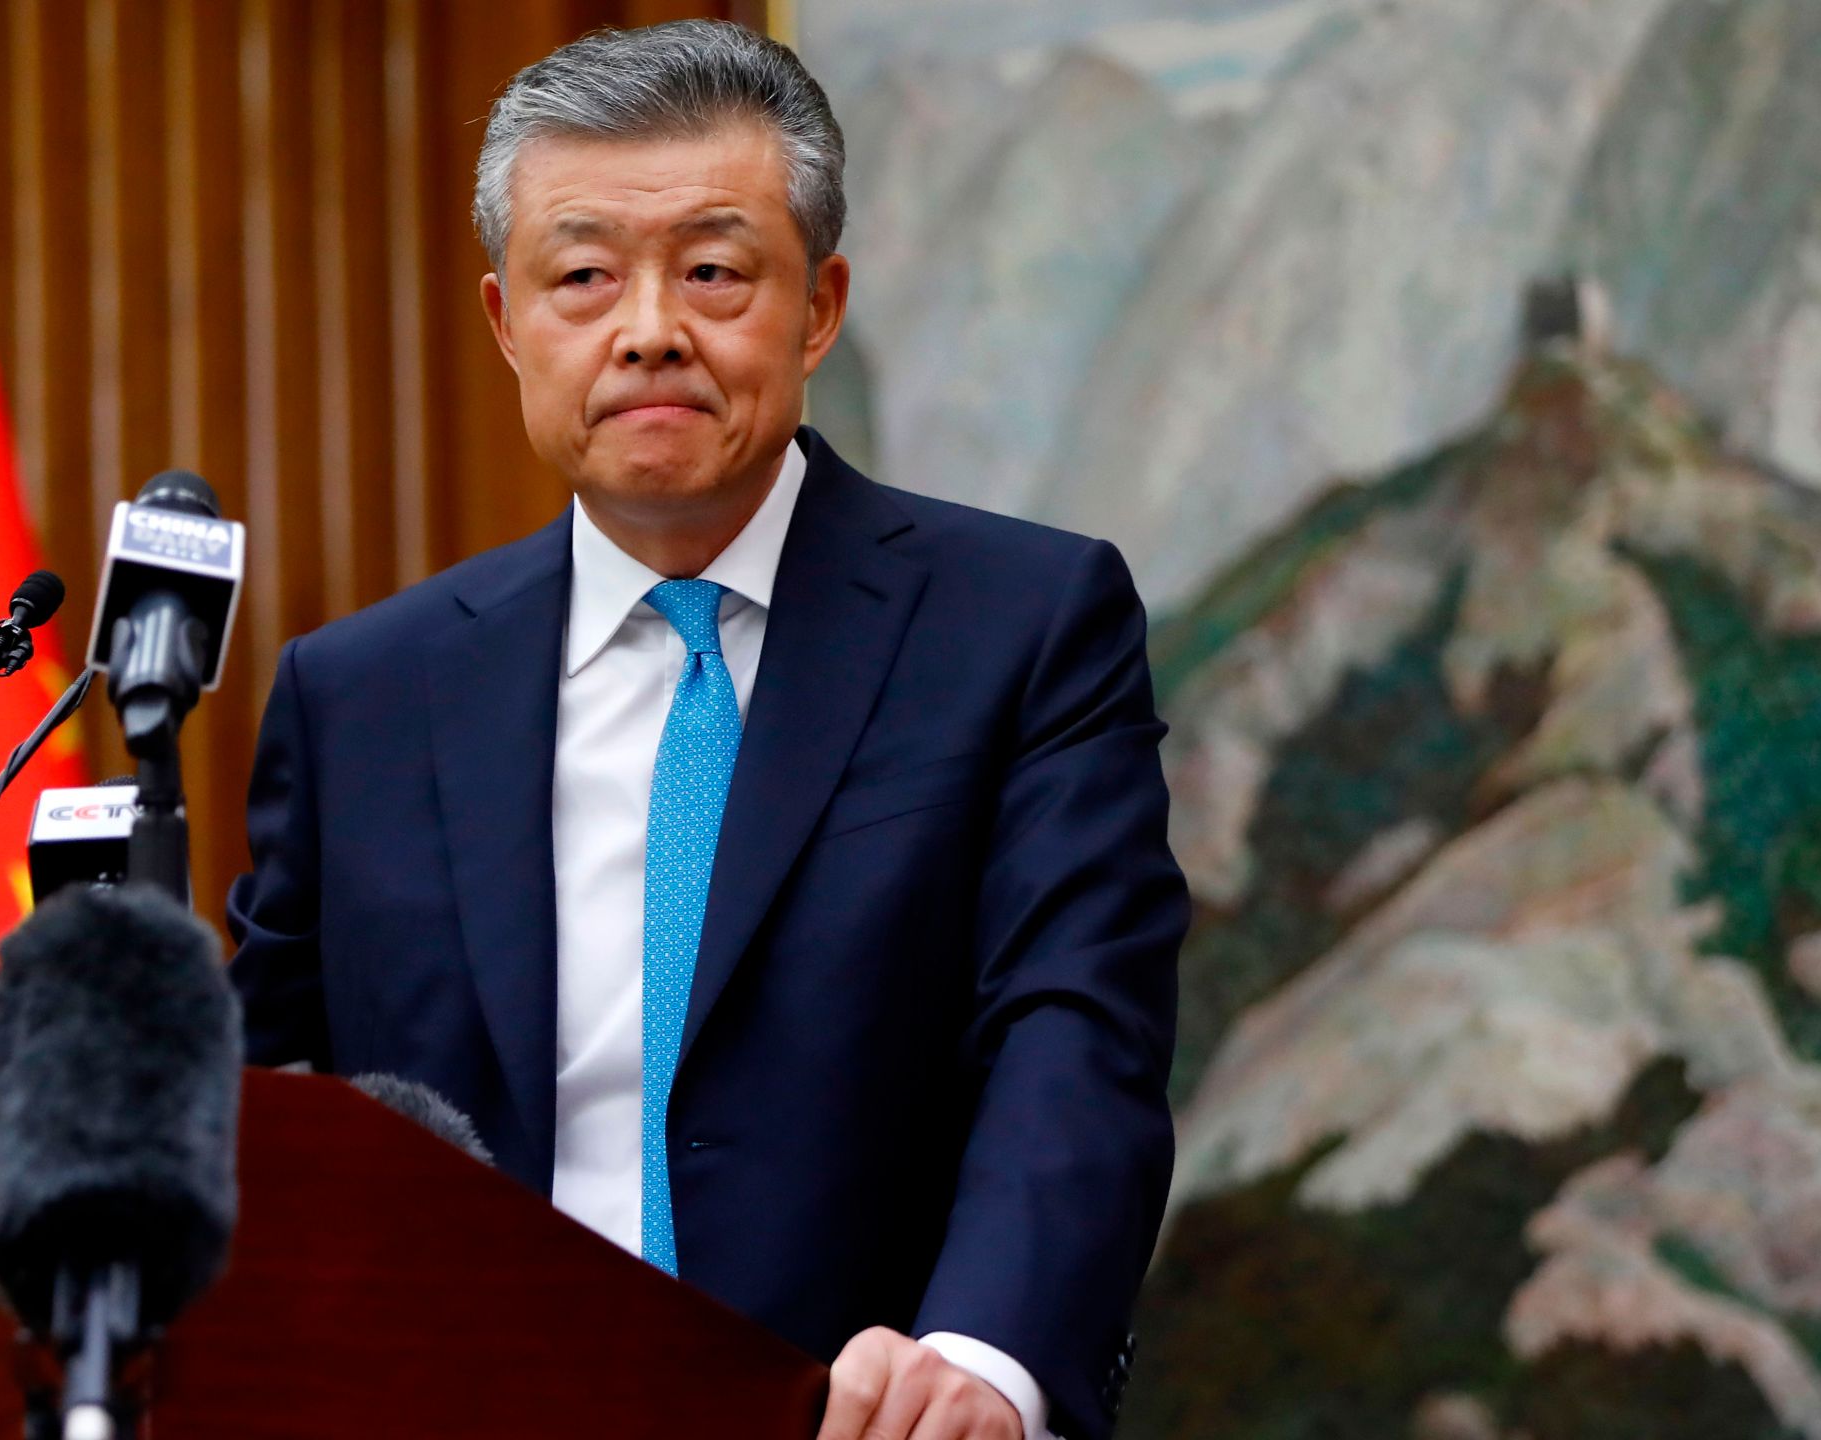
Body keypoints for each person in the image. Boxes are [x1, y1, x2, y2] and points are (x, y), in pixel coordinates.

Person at [226, 21, 1184, 1440]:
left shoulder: (1023, 626)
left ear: (818, 306)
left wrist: (980, 1360)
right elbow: (266, 1114)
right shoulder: (363, 695)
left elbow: (1076, 1032)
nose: (649, 327)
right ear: (506, 320)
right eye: (585, 276)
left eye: (716, 270)